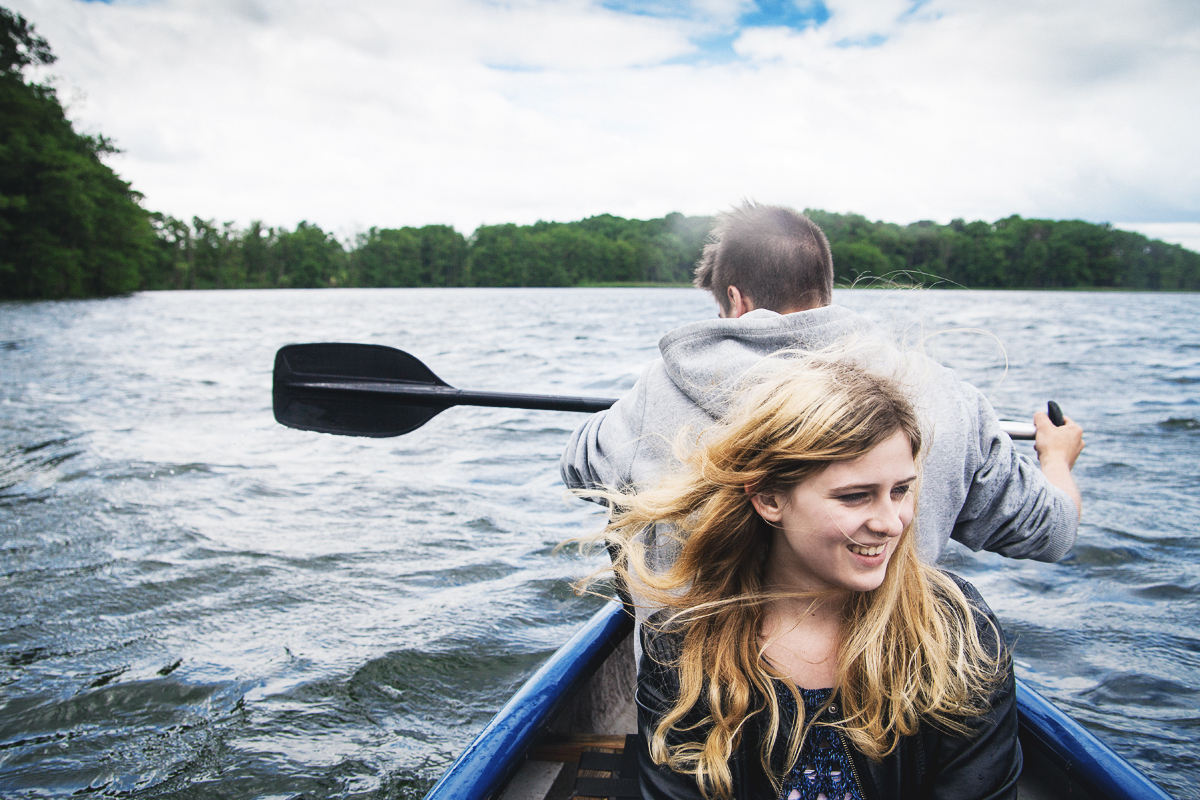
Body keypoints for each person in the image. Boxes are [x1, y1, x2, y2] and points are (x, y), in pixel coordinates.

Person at [583, 354, 1021, 800]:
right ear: (770, 498)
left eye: (901, 490)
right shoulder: (682, 648)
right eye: (855, 496)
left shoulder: (956, 628)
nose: (892, 523)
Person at [561, 202, 1085, 573]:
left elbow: (579, 469)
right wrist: (1056, 458)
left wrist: (638, 415)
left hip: (693, 706)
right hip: (876, 699)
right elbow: (1052, 532)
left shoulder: (659, 387)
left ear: (736, 301)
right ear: (827, 291)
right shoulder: (948, 397)